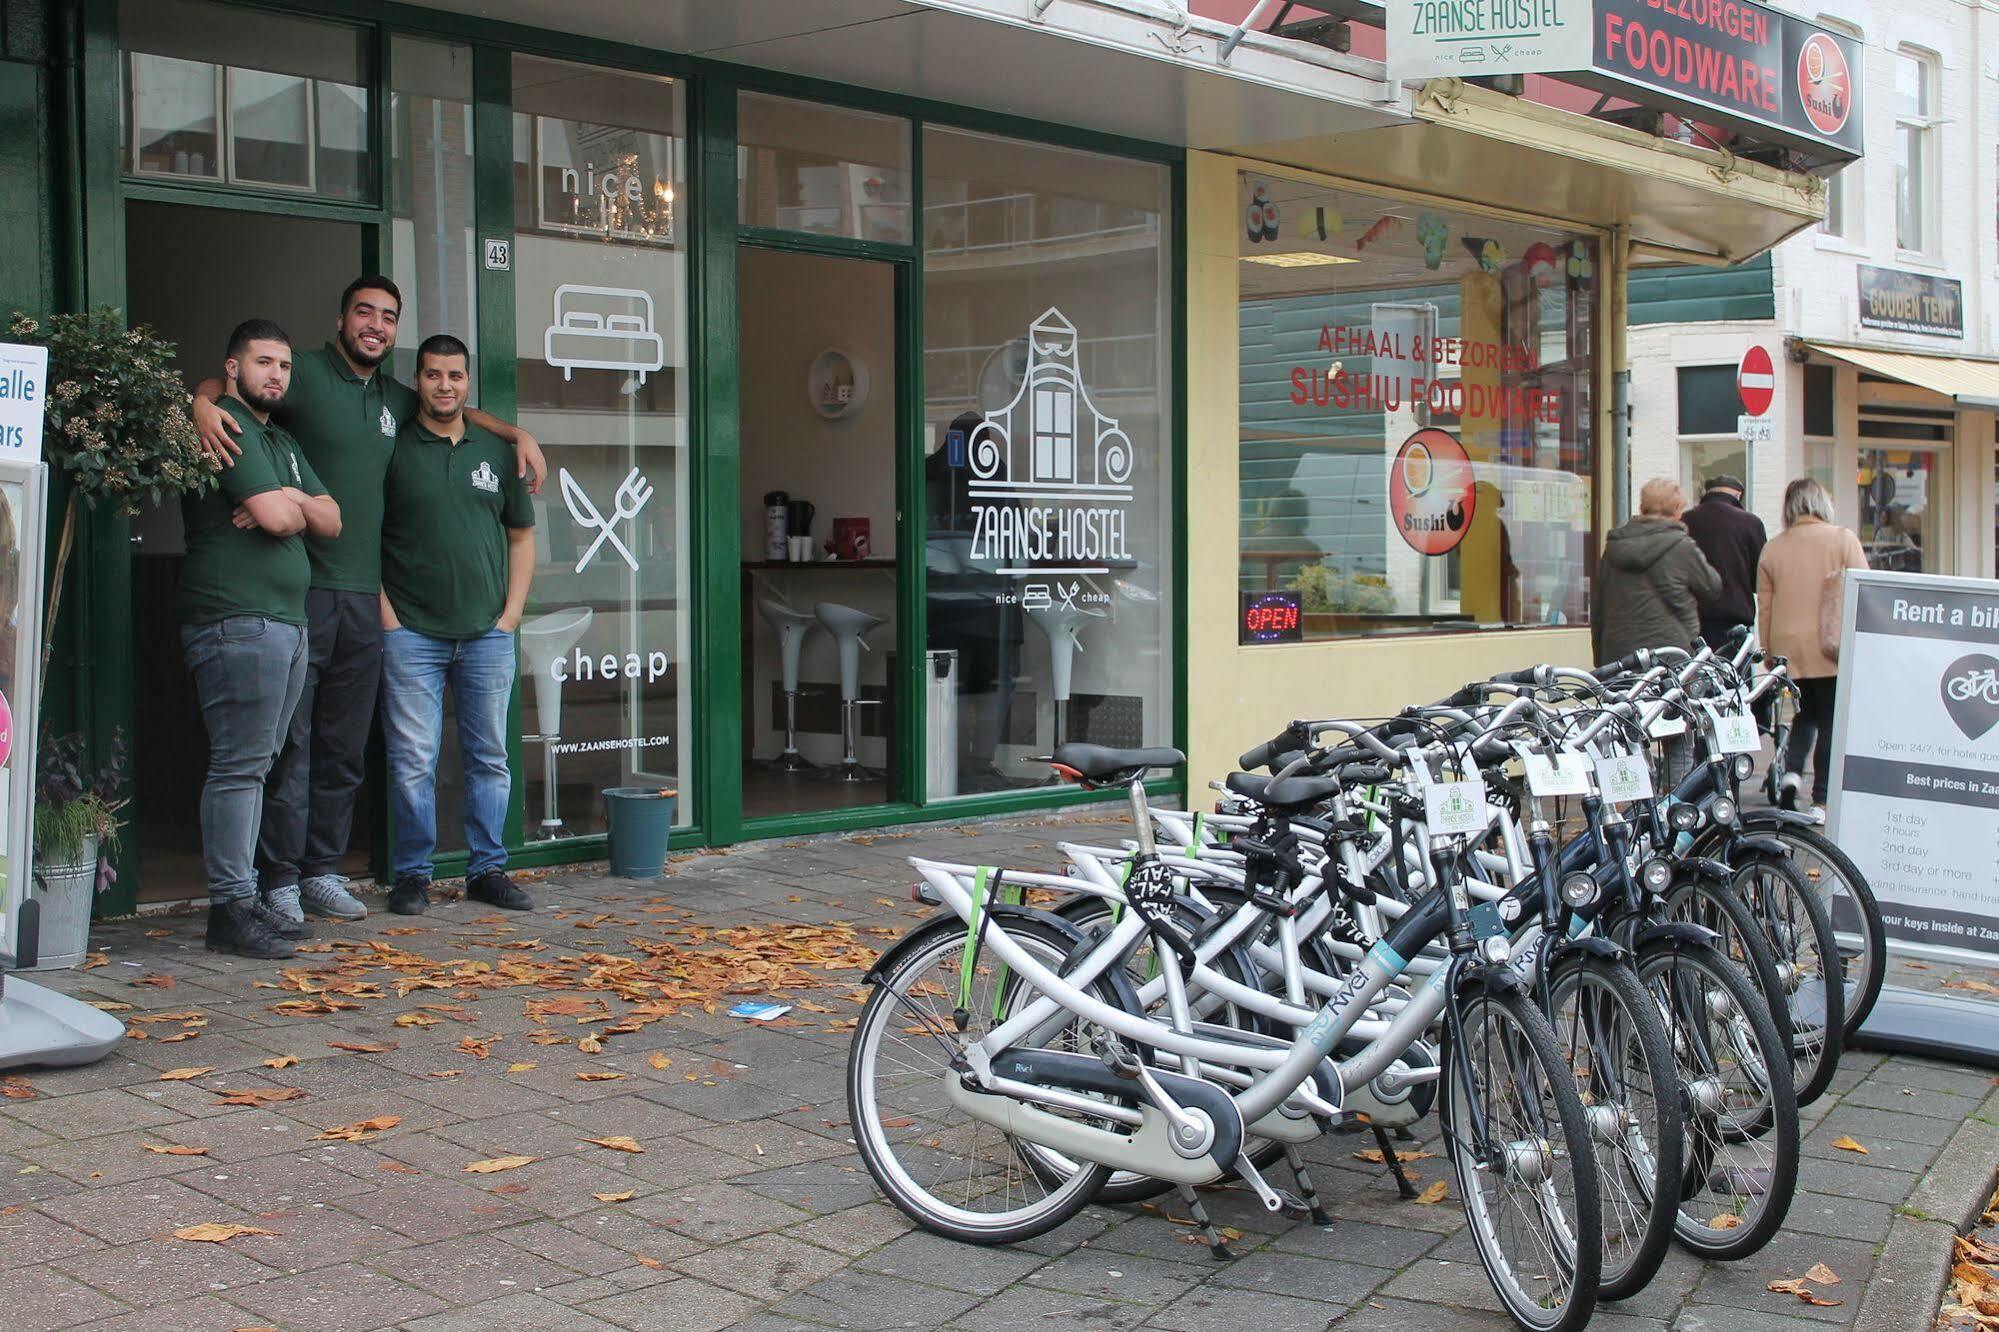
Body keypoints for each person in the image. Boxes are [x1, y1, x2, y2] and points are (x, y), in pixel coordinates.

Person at [190, 278, 546, 925]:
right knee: (287, 751)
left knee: (343, 750)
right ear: (342, 319)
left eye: (388, 317)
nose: (375, 326)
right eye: (364, 313)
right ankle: (279, 881)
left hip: (363, 602)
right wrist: (197, 401)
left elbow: (455, 410)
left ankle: (322, 871)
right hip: (302, 594)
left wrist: (516, 432)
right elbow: (240, 384)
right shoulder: (304, 375)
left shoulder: (397, 399)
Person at [180, 321, 342, 959]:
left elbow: (330, 519)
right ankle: (230, 911)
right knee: (239, 768)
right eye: (263, 363)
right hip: (236, 619)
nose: (276, 374)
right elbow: (276, 519)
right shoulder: (222, 422)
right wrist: (286, 506)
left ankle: (242, 903)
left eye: (283, 365)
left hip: (285, 621)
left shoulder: (280, 438)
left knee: (257, 766)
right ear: (232, 367)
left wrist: (291, 497)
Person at [378, 335, 536, 915]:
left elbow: (521, 535)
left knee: (489, 757)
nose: (444, 385)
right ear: (416, 380)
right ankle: (413, 875)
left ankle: (486, 870)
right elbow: (365, 536)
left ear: (468, 383)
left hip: (487, 634)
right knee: (413, 760)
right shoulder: (392, 447)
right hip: (412, 632)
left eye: (455, 376)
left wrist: (510, 617)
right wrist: (388, 618)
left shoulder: (496, 453)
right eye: (433, 375)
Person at [1757, 477, 1867, 815]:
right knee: (1831, 720)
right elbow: (1866, 588)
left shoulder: (1774, 548)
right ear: (1822, 503)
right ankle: (1821, 799)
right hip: (1831, 645)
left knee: (1805, 716)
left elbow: (1766, 606)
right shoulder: (1842, 540)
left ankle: (1791, 774)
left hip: (1789, 647)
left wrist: (1769, 650)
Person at [1592, 477, 1722, 663]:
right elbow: (1712, 587)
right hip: (1670, 654)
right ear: (1677, 510)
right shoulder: (1682, 547)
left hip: (1618, 656)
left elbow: (1599, 609)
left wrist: (1600, 657)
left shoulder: (1614, 548)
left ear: (1642, 507)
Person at [1682, 472, 1767, 648]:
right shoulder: (1750, 523)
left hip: (1693, 621)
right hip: (1735, 623)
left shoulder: (1685, 520)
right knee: (1734, 674)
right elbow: (1759, 579)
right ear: (1737, 496)